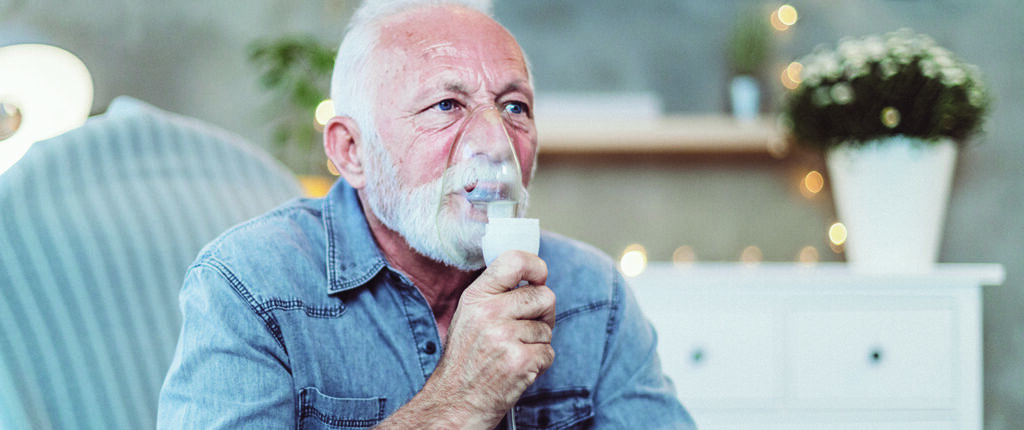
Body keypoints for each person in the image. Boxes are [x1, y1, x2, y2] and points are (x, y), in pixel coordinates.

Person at [158, 0, 696, 428]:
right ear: (352, 151)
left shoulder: (592, 292)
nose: (494, 143)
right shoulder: (249, 286)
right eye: (447, 106)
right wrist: (459, 403)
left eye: (515, 107)